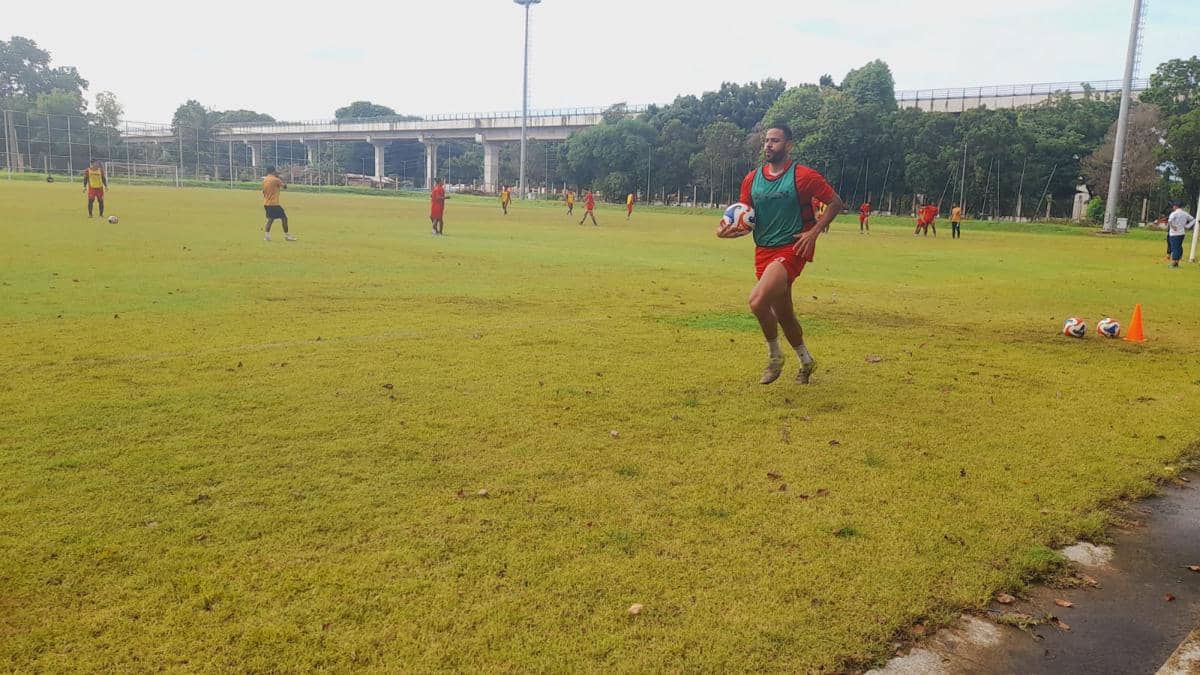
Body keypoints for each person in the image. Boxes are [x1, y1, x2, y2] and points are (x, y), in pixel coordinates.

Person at [718, 123, 844, 385]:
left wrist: (814, 232)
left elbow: (836, 202)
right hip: (763, 251)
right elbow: (745, 216)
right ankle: (806, 361)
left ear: (789, 145)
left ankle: (775, 357)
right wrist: (727, 230)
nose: (768, 145)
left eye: (775, 141)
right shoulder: (752, 179)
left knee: (756, 301)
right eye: (766, 140)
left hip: (792, 248)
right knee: (784, 314)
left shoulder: (803, 176)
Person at [261, 166, 295, 241]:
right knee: (284, 218)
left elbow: (263, 191)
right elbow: (285, 186)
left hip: (266, 203)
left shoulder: (265, 180)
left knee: (270, 219)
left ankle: (267, 236)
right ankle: (287, 236)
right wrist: (281, 178)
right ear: (273, 171)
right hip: (274, 203)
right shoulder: (276, 180)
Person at [1167, 201, 1196, 268]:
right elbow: (1193, 219)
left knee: (1175, 248)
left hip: (1174, 233)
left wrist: (1173, 226)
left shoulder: (1174, 213)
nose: (1173, 207)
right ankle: (1176, 262)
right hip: (1182, 233)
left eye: (1173, 206)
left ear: (1176, 206)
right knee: (1178, 247)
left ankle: (1174, 263)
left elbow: (1170, 221)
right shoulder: (1185, 214)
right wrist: (1187, 226)